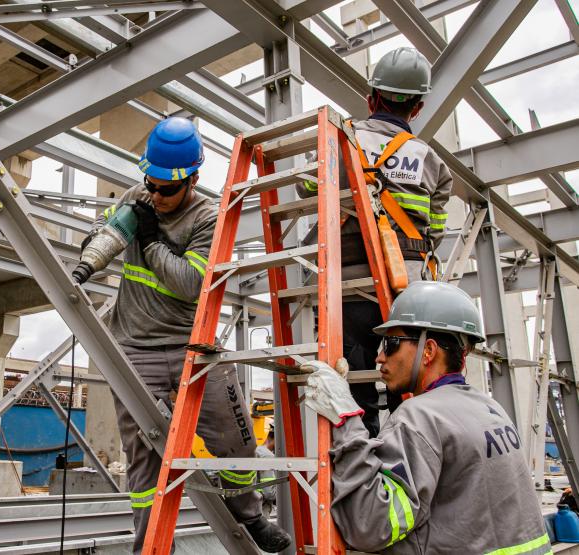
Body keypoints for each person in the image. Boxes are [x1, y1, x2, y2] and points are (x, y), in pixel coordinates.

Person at [83, 117, 291, 553]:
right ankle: (151, 546)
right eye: (150, 184)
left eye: (166, 189)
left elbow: (189, 283)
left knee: (236, 442)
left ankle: (250, 516)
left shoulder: (209, 217)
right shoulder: (136, 198)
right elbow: (101, 236)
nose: (155, 195)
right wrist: (100, 240)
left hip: (191, 347)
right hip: (134, 350)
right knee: (143, 458)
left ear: (192, 179)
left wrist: (151, 239)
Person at [301, 281, 552, 553]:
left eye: (391, 344)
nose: (379, 357)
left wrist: (346, 418)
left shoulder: (419, 417)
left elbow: (369, 525)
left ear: (429, 351)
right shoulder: (490, 409)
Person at [295, 46, 454, 437]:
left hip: (345, 290)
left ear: (371, 98)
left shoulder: (338, 139)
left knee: (353, 387)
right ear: (416, 108)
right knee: (412, 391)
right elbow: (434, 232)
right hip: (406, 293)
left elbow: (303, 188)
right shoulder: (432, 162)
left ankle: (359, 468)